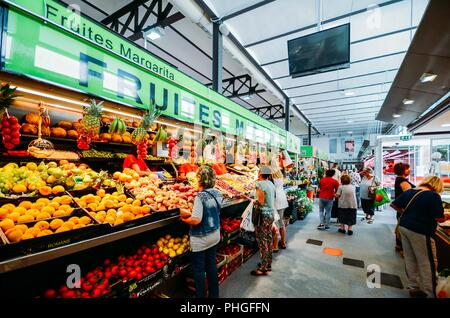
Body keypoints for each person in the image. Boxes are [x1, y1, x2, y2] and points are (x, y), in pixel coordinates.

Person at [391, 176, 445, 298]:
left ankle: (413, 287)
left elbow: (393, 204)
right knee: (427, 262)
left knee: (410, 258)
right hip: (420, 230)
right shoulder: (433, 196)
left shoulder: (411, 191)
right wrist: (446, 217)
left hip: (404, 227)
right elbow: (439, 218)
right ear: (436, 186)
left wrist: (405, 212)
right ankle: (430, 292)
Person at [181, 165, 222, 298]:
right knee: (211, 266)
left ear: (200, 179)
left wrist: (183, 219)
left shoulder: (200, 196)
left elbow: (196, 220)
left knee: (198, 270)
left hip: (201, 239)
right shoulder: (217, 193)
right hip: (215, 235)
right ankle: (214, 295)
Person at [251, 166, 276, 276]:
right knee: (268, 238)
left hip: (263, 215)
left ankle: (264, 267)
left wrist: (252, 201)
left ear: (260, 173)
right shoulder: (271, 184)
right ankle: (268, 263)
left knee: (262, 240)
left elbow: (260, 202)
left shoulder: (260, 184)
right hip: (270, 214)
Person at [393, 162, 415, 254]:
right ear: (403, 170)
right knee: (403, 228)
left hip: (400, 207)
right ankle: (403, 249)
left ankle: (398, 245)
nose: (409, 170)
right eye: (408, 168)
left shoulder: (398, 179)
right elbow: (409, 195)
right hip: (404, 209)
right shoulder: (402, 181)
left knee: (400, 226)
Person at [272, 169, 289, 251]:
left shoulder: (271, 177)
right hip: (282, 199)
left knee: (275, 223)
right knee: (281, 222)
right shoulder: (280, 175)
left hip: (276, 201)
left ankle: (275, 246)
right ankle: (283, 242)